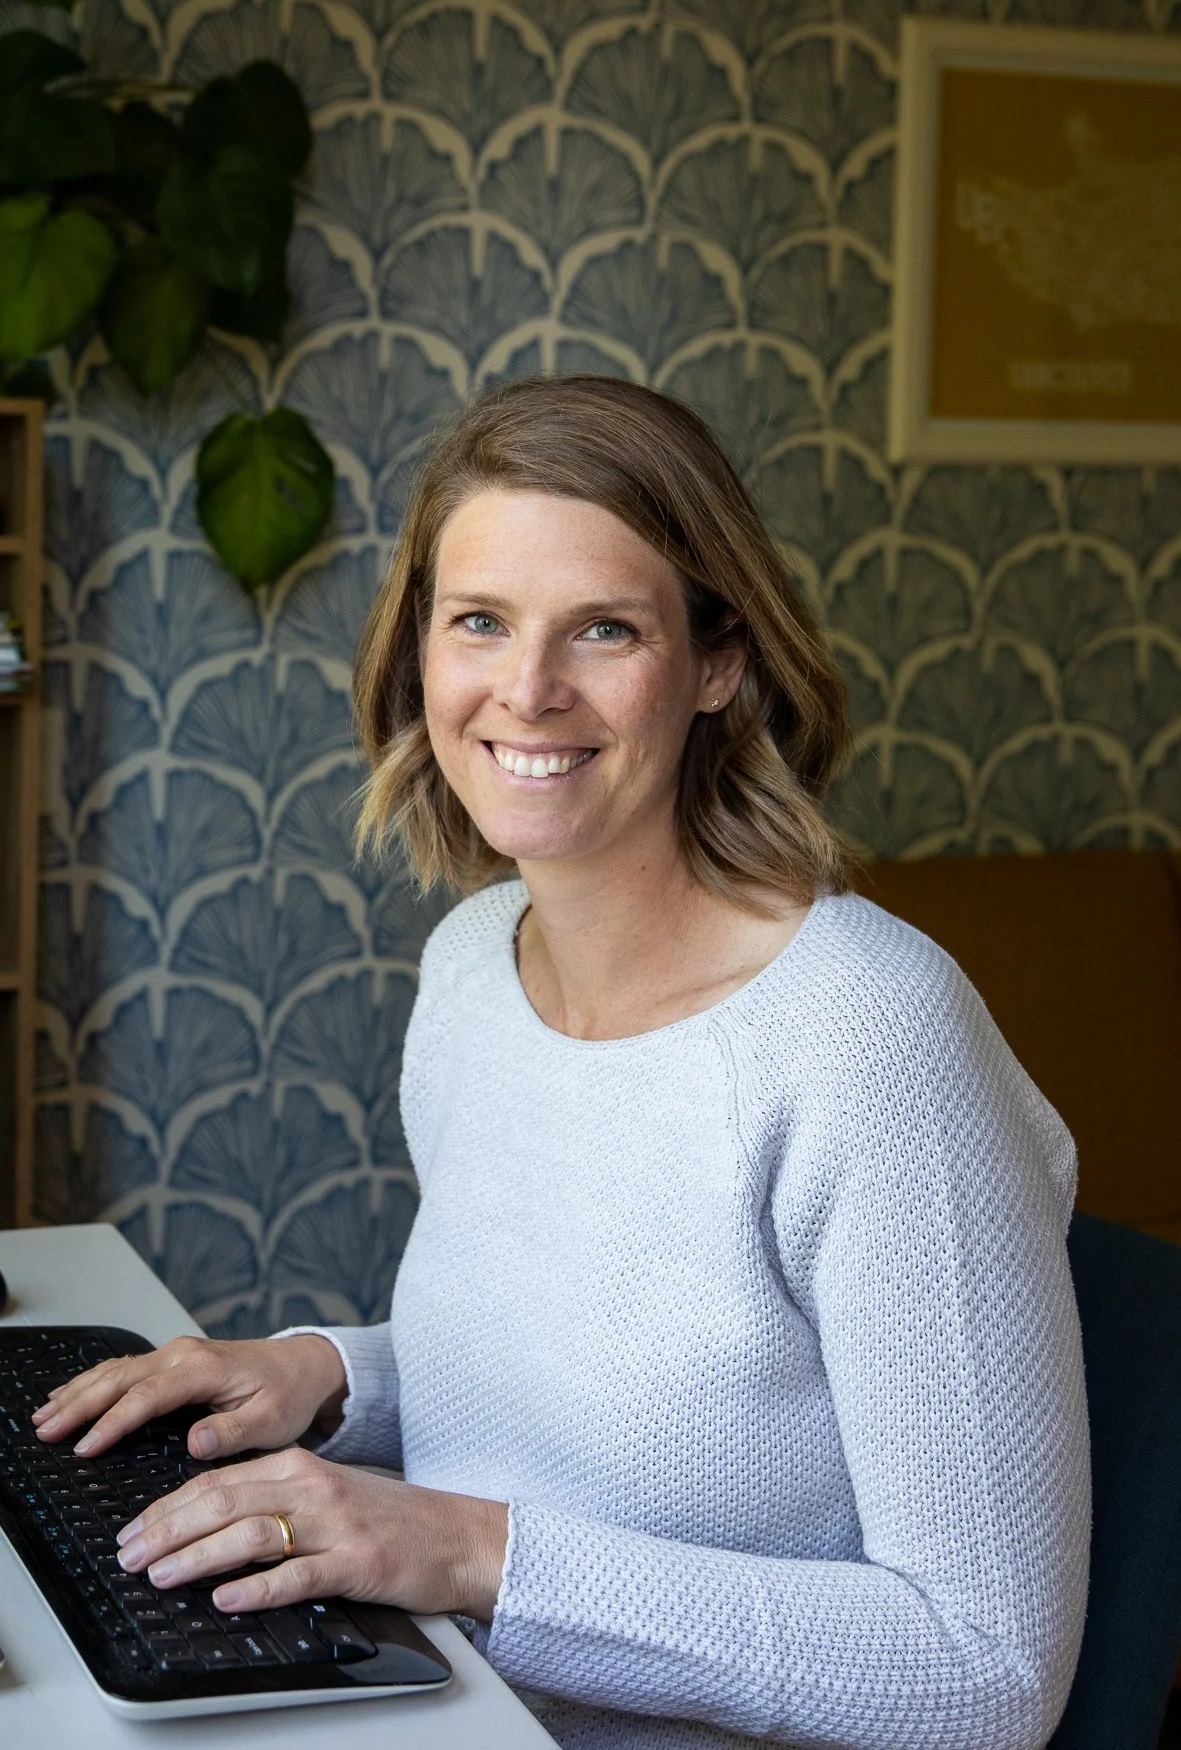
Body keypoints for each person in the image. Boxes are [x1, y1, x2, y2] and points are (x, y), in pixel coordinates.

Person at [35, 377, 1089, 1750]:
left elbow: (986, 1669)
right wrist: (333, 1381)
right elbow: (631, 1390)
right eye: (480, 621)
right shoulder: (475, 966)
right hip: (458, 1710)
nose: (527, 691)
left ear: (719, 662)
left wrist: (470, 1554)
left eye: (603, 628)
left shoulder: (872, 1039)